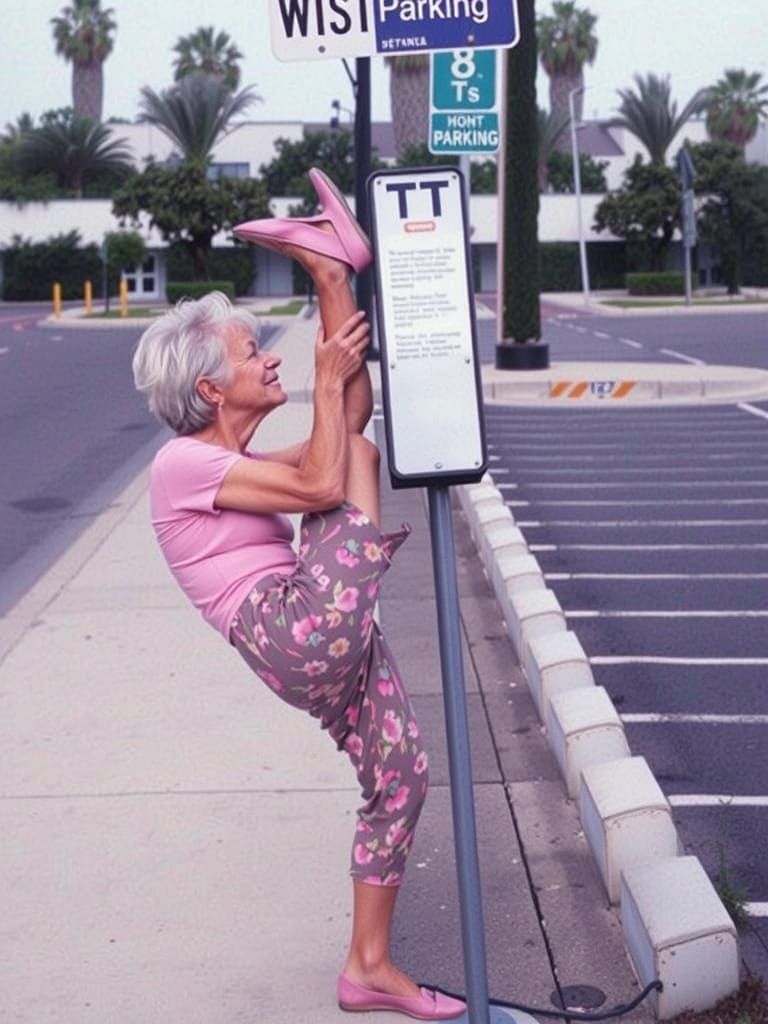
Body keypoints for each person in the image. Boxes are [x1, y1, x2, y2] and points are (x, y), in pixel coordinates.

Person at [132, 168, 465, 1021]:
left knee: (402, 778)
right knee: (347, 460)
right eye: (251, 353)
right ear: (211, 389)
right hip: (291, 630)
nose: (266, 357)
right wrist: (324, 363)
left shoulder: (231, 464)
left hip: (313, 627)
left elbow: (344, 422)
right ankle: (326, 266)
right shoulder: (180, 466)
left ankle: (368, 968)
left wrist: (335, 328)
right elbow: (327, 476)